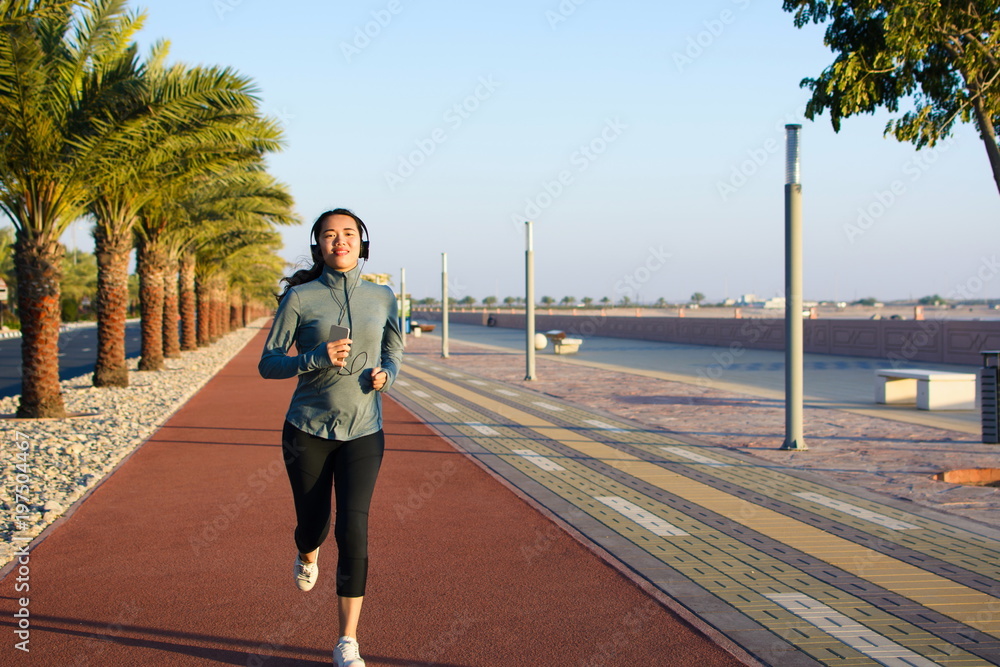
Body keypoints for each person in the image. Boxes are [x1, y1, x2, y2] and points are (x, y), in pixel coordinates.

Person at [258, 208, 403, 667]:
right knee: (314, 524)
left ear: (362, 242)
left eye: (347, 234)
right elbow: (269, 363)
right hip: (306, 430)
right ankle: (306, 552)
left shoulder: (382, 297)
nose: (339, 241)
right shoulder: (301, 298)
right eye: (328, 235)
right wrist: (314, 357)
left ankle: (347, 641)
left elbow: (393, 347)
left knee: (353, 527)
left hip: (365, 432)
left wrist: (388, 374)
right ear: (318, 244)